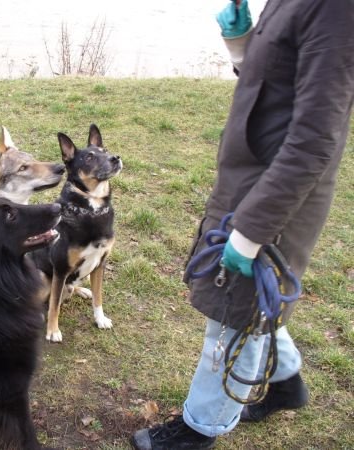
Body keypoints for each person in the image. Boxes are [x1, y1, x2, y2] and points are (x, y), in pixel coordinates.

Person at [130, 0, 354, 449]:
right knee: (251, 306)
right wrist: (241, 46)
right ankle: (286, 382)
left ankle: (201, 428)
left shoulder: (336, 9)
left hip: (276, 196)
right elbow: (275, 89)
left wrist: (253, 231)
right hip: (249, 181)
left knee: (236, 312)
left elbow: (315, 139)